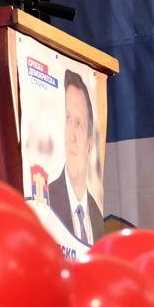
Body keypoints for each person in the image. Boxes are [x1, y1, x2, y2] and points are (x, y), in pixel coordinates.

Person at [49, 69, 104, 243]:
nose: (70, 136)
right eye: (68, 119)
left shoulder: (96, 214)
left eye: (78, 123)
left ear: (89, 146)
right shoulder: (46, 202)